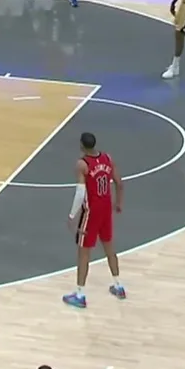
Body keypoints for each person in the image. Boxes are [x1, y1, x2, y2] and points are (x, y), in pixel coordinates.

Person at [64, 131, 124, 308]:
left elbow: (80, 193)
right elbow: (119, 183)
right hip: (106, 209)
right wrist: (118, 203)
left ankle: (80, 295)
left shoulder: (82, 164)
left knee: (83, 253)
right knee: (109, 247)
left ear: (81, 145)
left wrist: (72, 215)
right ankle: (118, 285)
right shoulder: (107, 158)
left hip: (91, 212)